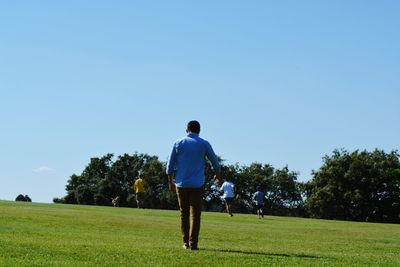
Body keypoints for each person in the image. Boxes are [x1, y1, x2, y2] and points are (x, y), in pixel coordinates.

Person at [167, 120, 221, 250]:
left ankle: (185, 242)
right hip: (198, 183)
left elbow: (169, 165)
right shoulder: (204, 143)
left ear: (187, 130)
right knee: (196, 215)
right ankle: (193, 244)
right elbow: (215, 163)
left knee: (183, 213)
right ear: (199, 130)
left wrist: (170, 181)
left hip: (181, 183)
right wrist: (218, 176)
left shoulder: (178, 142)